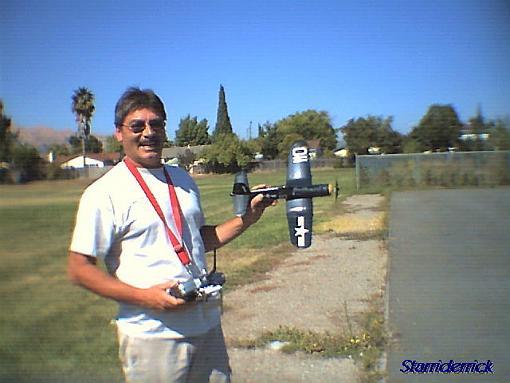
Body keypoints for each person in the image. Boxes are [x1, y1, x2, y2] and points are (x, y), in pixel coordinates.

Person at [67, 87, 274, 382]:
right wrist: (145, 297)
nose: (148, 132)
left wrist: (248, 218)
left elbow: (197, 241)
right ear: (119, 133)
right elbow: (79, 269)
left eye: (156, 124)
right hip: (152, 336)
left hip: (206, 327)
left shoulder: (182, 179)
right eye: (137, 125)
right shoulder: (103, 193)